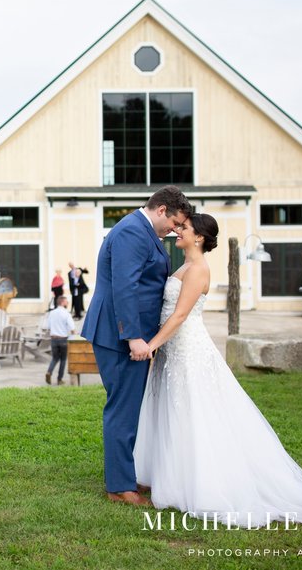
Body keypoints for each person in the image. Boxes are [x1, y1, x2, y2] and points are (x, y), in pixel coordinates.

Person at [134, 213, 302, 526]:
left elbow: (179, 316)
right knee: (170, 408)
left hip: (187, 347)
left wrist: (152, 345)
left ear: (199, 237)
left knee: (192, 410)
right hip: (172, 350)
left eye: (183, 229)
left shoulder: (198, 268)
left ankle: (203, 483)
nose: (177, 231)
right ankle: (170, 474)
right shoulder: (184, 265)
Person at [80, 185, 192, 506]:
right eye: (174, 222)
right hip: (120, 338)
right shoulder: (132, 232)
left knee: (128, 407)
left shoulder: (143, 231)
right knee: (122, 408)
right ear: (161, 210)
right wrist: (133, 337)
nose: (174, 229)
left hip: (130, 335)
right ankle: (119, 488)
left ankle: (125, 477)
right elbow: (125, 287)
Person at [46, 296, 75, 385]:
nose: (68, 303)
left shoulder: (52, 313)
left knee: (55, 358)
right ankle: (59, 379)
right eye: (66, 302)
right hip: (63, 339)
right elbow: (72, 328)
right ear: (62, 302)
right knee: (63, 359)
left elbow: (48, 327)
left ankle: (49, 372)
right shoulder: (66, 313)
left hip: (54, 339)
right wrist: (74, 337)